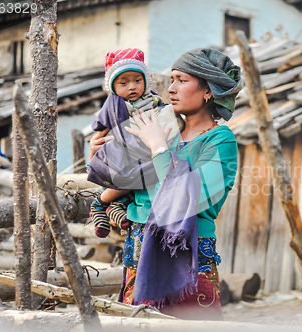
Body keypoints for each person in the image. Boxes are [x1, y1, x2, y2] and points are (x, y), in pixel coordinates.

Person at [90, 48, 242, 320]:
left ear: (209, 90)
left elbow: (187, 198)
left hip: (187, 257)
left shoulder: (220, 141)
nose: (171, 88)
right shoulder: (163, 130)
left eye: (182, 80)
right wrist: (97, 152)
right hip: (138, 248)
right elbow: (119, 178)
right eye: (171, 79)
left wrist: (158, 147)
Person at [87, 48, 182, 238]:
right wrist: (93, 156)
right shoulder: (114, 106)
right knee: (131, 178)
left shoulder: (153, 101)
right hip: (122, 156)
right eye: (124, 83)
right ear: (113, 87)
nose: (132, 87)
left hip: (144, 155)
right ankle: (99, 204)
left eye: (137, 81)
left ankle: (115, 208)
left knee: (142, 178)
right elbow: (100, 133)